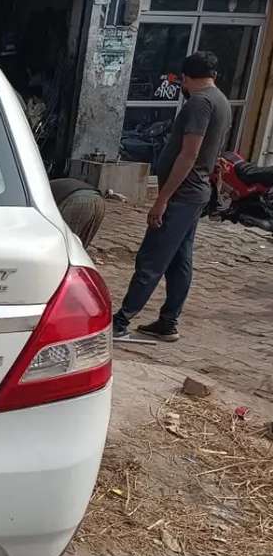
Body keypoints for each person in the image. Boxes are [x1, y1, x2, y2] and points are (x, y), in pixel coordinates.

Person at [113, 51, 231, 342]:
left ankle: (121, 320)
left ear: (185, 78)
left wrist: (162, 199)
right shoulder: (221, 100)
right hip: (195, 192)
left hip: (183, 194)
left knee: (152, 257)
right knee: (180, 260)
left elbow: (188, 155)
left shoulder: (199, 103)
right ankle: (168, 322)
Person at [50, 178, 106, 248]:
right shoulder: (46, 185)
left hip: (77, 199)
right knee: (81, 242)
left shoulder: (41, 190)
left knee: (63, 241)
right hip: (99, 200)